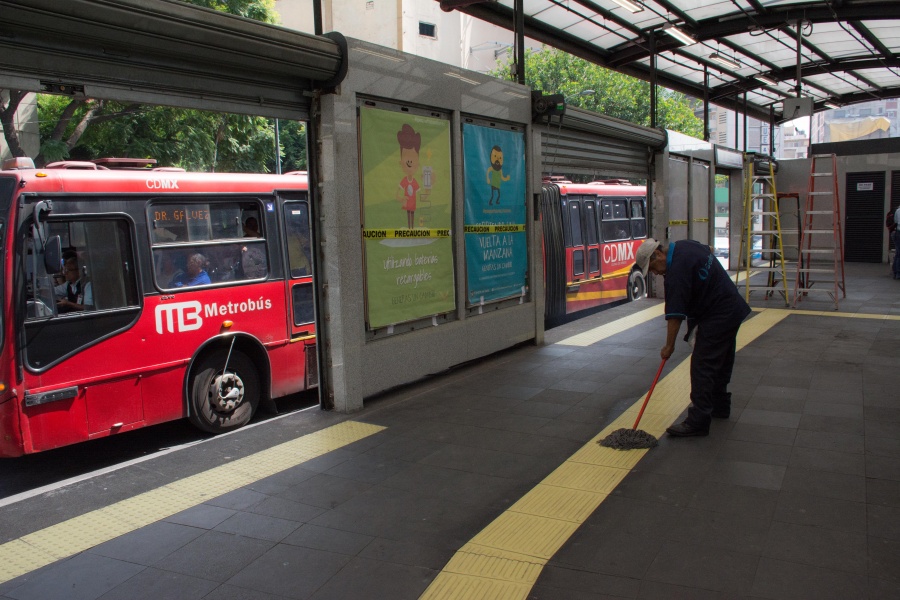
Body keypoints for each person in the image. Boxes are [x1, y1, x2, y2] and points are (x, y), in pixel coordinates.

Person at [634, 238, 751, 437]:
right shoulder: (686, 245)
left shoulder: (676, 273)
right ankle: (720, 406)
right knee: (721, 360)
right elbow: (709, 249)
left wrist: (668, 346)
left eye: (652, 268)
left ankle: (698, 421)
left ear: (659, 255)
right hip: (731, 306)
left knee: (702, 365)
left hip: (718, 313)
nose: (655, 273)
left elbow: (675, 315)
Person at [890, 206, 900, 279]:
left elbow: (896, 221)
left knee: (898, 253)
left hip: (898, 232)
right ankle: (898, 273)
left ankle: (896, 272)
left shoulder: (897, 210)